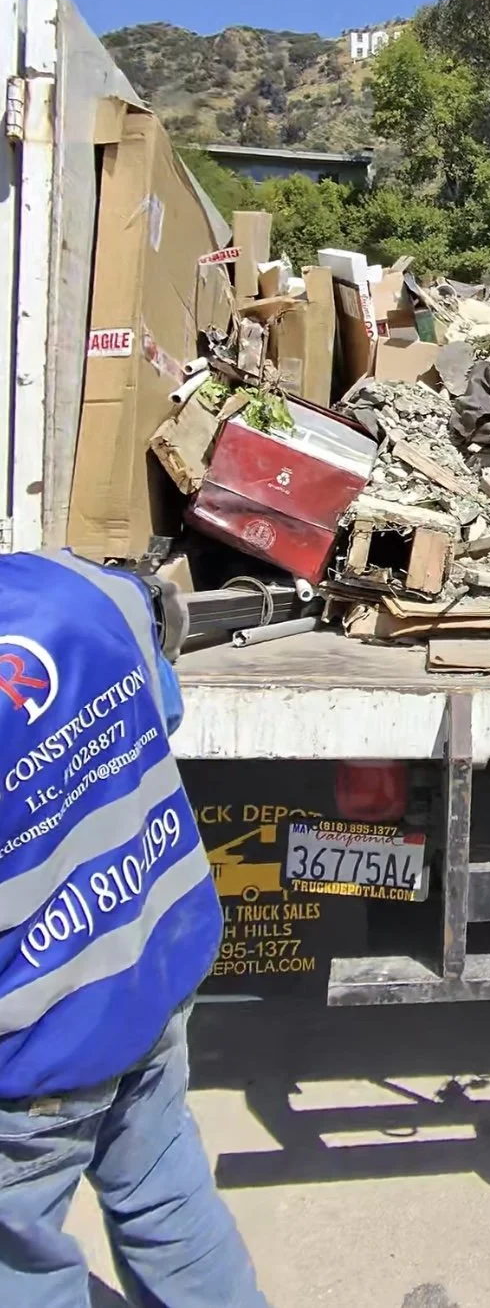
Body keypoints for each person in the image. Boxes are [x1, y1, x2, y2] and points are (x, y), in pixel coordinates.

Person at [0, 549, 270, 1308]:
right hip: (146, 966)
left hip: (31, 1045)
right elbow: (164, 703)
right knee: (165, 1197)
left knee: (18, 1269)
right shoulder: (80, 587)